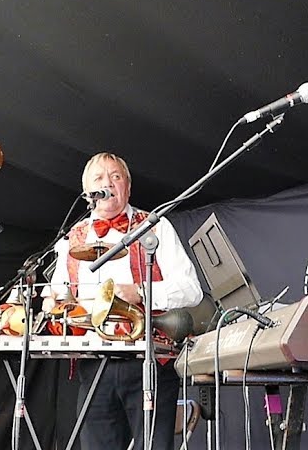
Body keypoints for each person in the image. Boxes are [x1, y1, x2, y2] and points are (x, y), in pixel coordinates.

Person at [47, 152, 202, 450]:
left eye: (116, 177)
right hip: (95, 363)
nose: (108, 183)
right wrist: (53, 302)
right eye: (99, 179)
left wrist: (141, 292)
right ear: (88, 192)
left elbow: (191, 289)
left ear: (128, 187)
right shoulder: (71, 239)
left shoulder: (155, 227)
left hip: (148, 361)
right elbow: (60, 297)